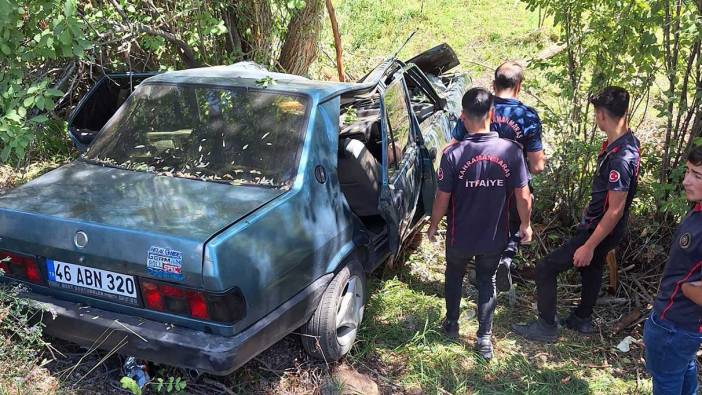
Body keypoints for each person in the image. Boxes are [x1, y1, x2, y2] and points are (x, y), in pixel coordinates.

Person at [513, 86, 641, 342]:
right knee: (592, 268)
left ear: (602, 115)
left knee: (546, 268)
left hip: (600, 229)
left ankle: (546, 326)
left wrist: (590, 244)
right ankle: (582, 318)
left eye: (596, 114)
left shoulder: (621, 159)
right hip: (604, 225)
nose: (596, 119)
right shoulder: (627, 142)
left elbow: (615, 209)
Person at [427, 87, 533, 360]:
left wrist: (434, 224)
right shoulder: (511, 151)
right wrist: (525, 224)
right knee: (487, 281)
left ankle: (451, 324)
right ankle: (484, 339)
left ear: (462, 117)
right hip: (493, 235)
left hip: (459, 234)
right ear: (492, 114)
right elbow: (523, 195)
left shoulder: (453, 154)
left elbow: (442, 197)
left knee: (454, 275)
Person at [451, 61, 546, 292]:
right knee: (514, 222)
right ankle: (504, 260)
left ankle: (477, 269)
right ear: (519, 86)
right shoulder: (527, 117)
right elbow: (537, 166)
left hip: (474, 182)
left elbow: (453, 146)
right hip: (512, 186)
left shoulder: (478, 107)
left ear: (493, 84)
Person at [644, 145, 702, 395]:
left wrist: (689, 290)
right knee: (683, 371)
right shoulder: (698, 210)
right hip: (682, 327)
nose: (686, 180)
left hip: (675, 325)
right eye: (688, 171)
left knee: (666, 382)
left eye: (697, 175)